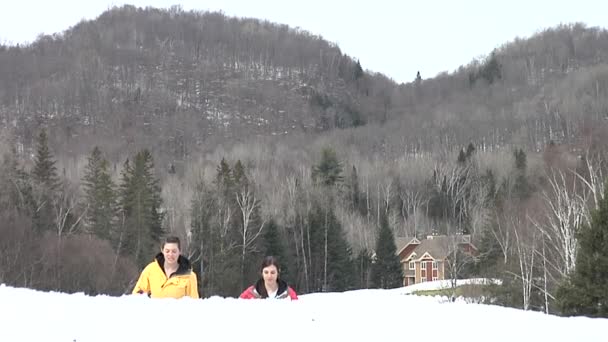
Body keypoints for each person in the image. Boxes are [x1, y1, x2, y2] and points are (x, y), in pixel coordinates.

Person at [132, 236, 199, 299]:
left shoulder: (189, 276)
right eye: (167, 251)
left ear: (180, 251)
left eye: (174, 251)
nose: (170, 254)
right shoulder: (150, 270)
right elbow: (137, 297)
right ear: (162, 250)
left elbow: (194, 305)